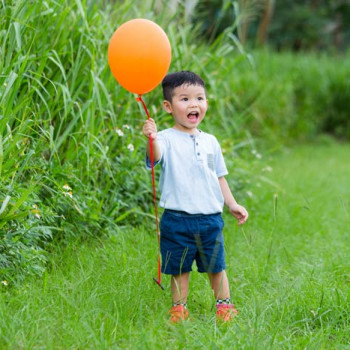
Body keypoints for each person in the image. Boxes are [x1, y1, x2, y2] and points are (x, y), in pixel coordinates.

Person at [142, 71, 248, 323]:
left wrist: (231, 204)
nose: (193, 104)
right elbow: (155, 156)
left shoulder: (211, 141)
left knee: (216, 265)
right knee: (178, 268)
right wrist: (151, 138)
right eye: (185, 99)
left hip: (210, 218)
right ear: (168, 106)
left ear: (206, 104)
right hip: (177, 219)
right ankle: (179, 308)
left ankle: (224, 305)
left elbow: (219, 176)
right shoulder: (166, 139)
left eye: (199, 98)